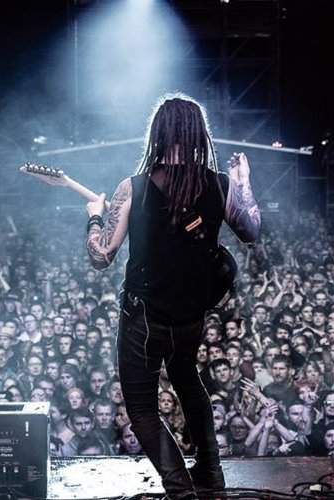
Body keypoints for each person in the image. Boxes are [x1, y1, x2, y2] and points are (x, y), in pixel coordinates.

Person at [81, 94, 261, 499]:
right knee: (186, 378)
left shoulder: (135, 187)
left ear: (158, 136)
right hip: (191, 319)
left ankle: (180, 489)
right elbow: (251, 231)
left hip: (144, 319)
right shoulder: (221, 184)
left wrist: (95, 214)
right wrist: (246, 184)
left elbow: (101, 256)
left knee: (142, 408)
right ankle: (211, 474)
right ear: (199, 135)